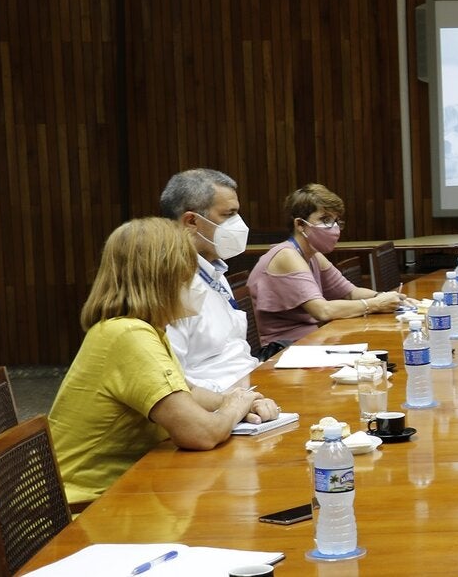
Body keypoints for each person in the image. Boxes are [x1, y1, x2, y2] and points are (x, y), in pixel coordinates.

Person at [49, 218, 280, 504]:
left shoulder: (144, 328)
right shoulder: (129, 335)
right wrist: (233, 408)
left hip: (126, 490)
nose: (195, 283)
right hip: (88, 507)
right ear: (163, 278)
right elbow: (200, 434)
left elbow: (186, 392)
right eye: (188, 273)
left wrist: (235, 399)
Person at [247, 183, 402, 358]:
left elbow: (350, 293)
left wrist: (385, 297)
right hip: (283, 352)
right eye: (325, 219)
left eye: (336, 221)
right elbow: (323, 311)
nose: (334, 228)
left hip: (312, 342)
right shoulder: (286, 255)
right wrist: (375, 304)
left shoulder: (312, 254)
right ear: (300, 224)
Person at [159, 168, 259, 392]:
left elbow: (234, 352)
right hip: (218, 404)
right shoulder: (170, 284)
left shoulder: (213, 270)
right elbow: (172, 384)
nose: (239, 224)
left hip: (249, 387)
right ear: (192, 221)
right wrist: (234, 399)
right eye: (228, 214)